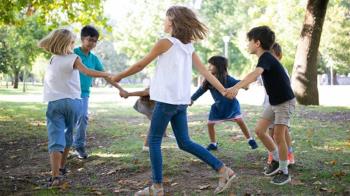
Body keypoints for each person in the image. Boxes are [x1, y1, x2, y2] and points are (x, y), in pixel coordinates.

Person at [112, 6, 236, 195]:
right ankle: (223, 170)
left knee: (153, 141)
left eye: (165, 18)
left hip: (167, 101)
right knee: (184, 142)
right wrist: (223, 89)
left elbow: (140, 64)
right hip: (180, 102)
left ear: (172, 21)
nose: (163, 21)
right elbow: (205, 73)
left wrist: (119, 75)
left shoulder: (165, 42)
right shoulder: (188, 47)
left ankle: (157, 187)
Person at [38, 28, 111, 186]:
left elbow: (43, 44)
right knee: (68, 134)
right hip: (74, 103)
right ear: (69, 43)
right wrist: (107, 74)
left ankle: (55, 175)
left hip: (55, 103)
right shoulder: (74, 57)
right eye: (72, 42)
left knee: (55, 138)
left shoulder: (53, 59)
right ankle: (62, 167)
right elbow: (87, 72)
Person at [227, 26, 296, 185]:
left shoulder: (266, 57)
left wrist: (236, 87)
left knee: (278, 135)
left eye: (249, 41)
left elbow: (256, 73)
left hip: (284, 102)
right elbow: (259, 76)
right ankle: (277, 160)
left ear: (257, 43)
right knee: (259, 130)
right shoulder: (265, 59)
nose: (247, 45)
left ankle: (284, 171)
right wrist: (243, 85)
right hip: (274, 102)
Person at [190, 55, 258, 151]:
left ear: (219, 67)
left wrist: (246, 85)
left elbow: (239, 83)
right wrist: (192, 99)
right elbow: (200, 91)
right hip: (218, 108)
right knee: (210, 124)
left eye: (211, 65)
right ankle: (213, 144)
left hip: (231, 106)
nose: (209, 67)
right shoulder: (209, 80)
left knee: (240, 121)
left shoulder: (228, 79)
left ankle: (250, 139)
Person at [73, 25, 105, 159]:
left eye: (95, 41)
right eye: (90, 40)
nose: (92, 43)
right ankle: (63, 145)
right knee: (69, 120)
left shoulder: (94, 59)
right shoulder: (72, 53)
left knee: (83, 117)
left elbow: (104, 74)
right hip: (69, 93)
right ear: (82, 39)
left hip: (84, 93)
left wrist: (120, 87)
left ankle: (79, 146)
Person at [264, 43, 295, 165]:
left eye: (272, 56)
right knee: (270, 131)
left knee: (283, 131)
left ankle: (289, 153)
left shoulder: (282, 69)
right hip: (269, 104)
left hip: (282, 103)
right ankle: (273, 154)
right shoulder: (263, 69)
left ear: (279, 56)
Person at [118, 87, 171, 151]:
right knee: (155, 125)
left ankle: (163, 134)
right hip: (147, 105)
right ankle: (146, 146)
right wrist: (128, 94)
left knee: (160, 122)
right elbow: (144, 92)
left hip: (150, 104)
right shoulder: (158, 81)